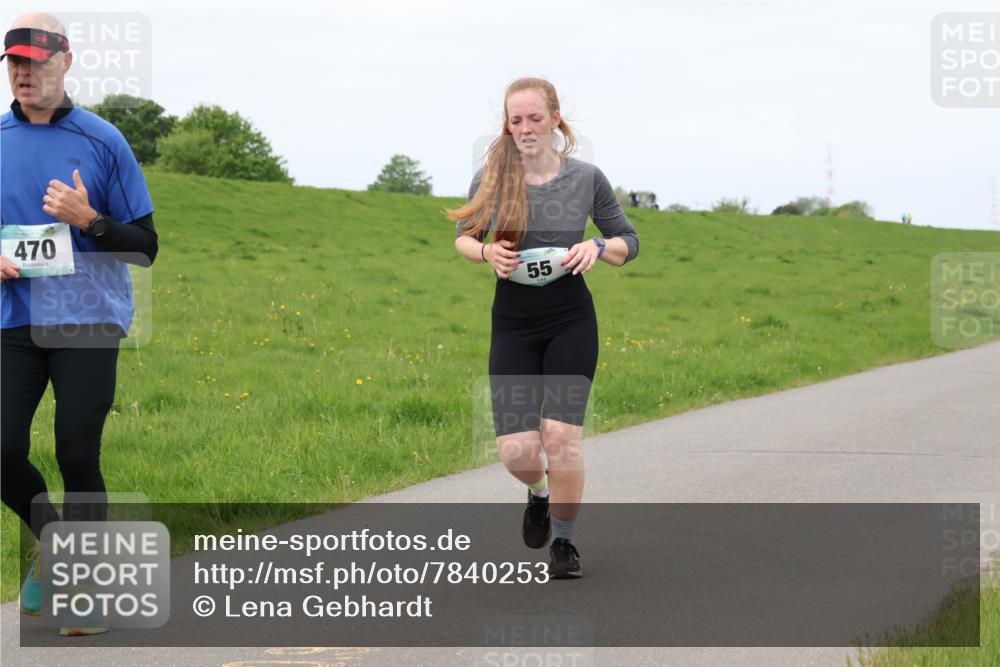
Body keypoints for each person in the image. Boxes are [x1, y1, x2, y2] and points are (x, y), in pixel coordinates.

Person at [1, 12, 158, 635]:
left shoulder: (103, 140)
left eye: (35, 62)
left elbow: (145, 246)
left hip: (88, 319)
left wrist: (89, 219)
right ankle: (54, 541)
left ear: (66, 61)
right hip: (14, 319)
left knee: (75, 449)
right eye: (14, 63)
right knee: (2, 448)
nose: (24, 74)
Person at [449, 77, 638, 579]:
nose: (526, 127)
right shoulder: (493, 178)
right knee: (517, 450)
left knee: (560, 439)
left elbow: (627, 242)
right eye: (516, 120)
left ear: (555, 118)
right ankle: (539, 492)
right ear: (507, 127)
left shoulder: (585, 177)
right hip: (512, 323)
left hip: (570, 319)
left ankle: (565, 544)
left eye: (535, 117)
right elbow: (463, 241)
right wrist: (487, 251)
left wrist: (597, 246)